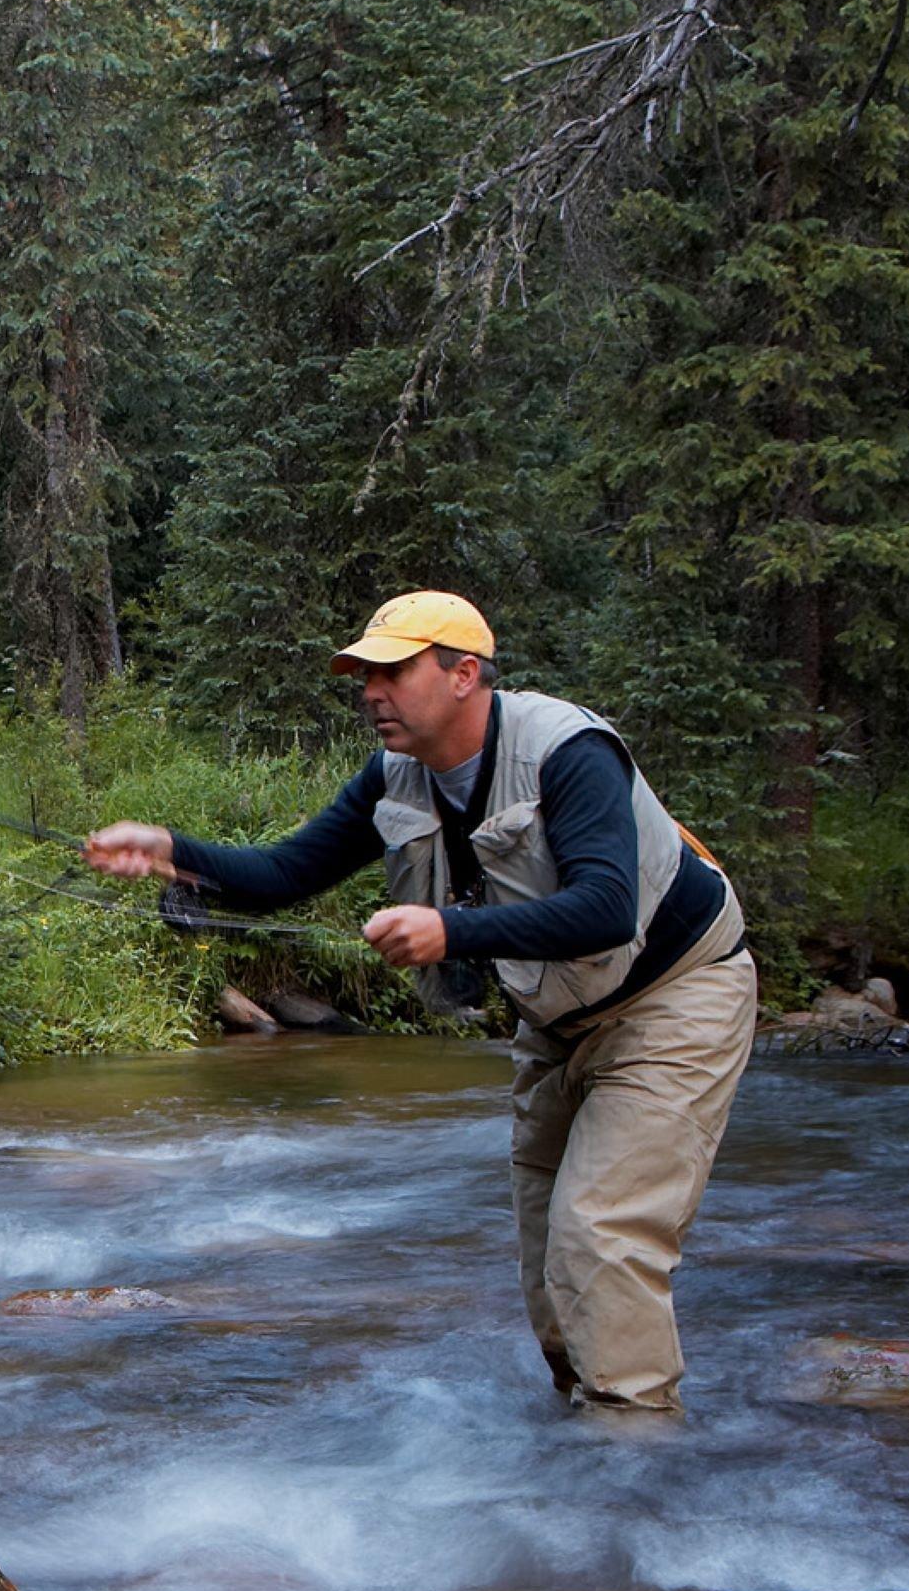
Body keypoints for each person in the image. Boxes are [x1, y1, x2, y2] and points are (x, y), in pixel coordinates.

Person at [84, 591, 756, 1412]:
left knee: (603, 1236)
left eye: (392, 671)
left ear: (463, 674)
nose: (371, 691)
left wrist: (451, 929)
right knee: (548, 1242)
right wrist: (171, 852)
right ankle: (582, 1432)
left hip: (678, 992)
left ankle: (635, 1446)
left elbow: (607, 908)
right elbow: (288, 874)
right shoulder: (397, 773)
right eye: (365, 674)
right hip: (559, 1018)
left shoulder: (569, 751)